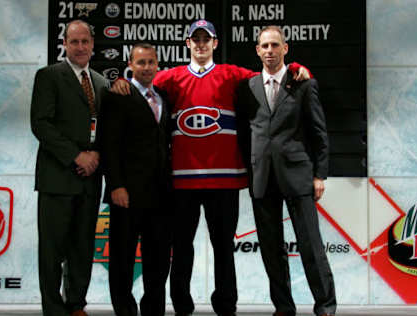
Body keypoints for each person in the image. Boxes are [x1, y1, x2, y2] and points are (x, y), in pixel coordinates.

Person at [112, 20, 310, 316]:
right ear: (188, 44)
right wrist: (121, 82)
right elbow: (143, 82)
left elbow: (271, 73)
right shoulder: (171, 78)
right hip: (182, 181)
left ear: (215, 43)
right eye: (196, 39)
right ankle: (181, 303)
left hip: (225, 180)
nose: (201, 44)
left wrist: (295, 66)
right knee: (181, 249)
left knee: (223, 248)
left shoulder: (232, 74)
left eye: (207, 39)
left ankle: (225, 304)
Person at [235, 25, 336, 316]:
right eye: (264, 46)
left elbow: (319, 133)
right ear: (257, 50)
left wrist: (320, 175)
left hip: (299, 176)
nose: (269, 51)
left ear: (285, 49)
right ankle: (283, 306)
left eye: (274, 45)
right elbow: (245, 132)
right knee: (270, 248)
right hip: (262, 177)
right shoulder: (248, 87)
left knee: (311, 245)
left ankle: (326, 306)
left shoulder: (303, 83)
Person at [30, 19, 110, 316]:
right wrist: (77, 156)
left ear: (92, 45)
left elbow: (106, 131)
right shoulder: (49, 76)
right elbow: (41, 123)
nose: (79, 47)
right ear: (65, 44)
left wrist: (97, 156)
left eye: (84, 42)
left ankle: (76, 304)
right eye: (73, 42)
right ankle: (53, 308)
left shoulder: (101, 83)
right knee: (52, 250)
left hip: (90, 180)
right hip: (58, 177)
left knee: (82, 247)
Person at [102, 43, 173, 316]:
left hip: (161, 194)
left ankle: (153, 310)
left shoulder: (164, 96)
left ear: (158, 65)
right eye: (140, 62)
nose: (146, 67)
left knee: (158, 260)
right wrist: (116, 185)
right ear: (130, 65)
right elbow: (109, 144)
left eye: (151, 62)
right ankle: (125, 311)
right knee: (122, 258)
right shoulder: (117, 95)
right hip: (127, 193)